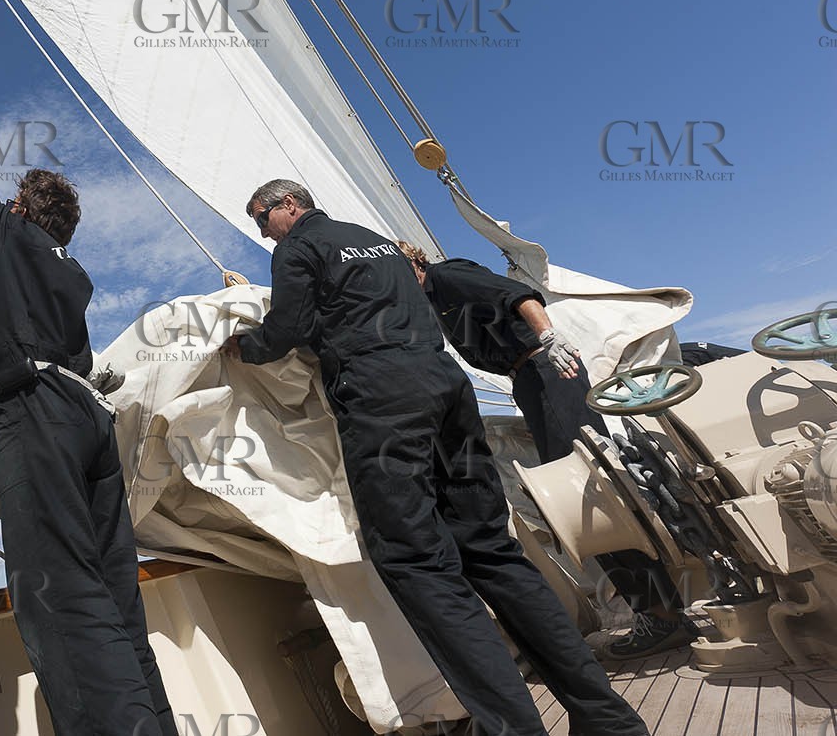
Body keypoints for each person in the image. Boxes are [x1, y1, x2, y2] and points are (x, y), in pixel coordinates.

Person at [220, 180, 648, 736]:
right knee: (491, 549)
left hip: (381, 400)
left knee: (416, 560)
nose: (261, 230)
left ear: (290, 205)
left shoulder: (298, 248)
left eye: (262, 217)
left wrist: (242, 346)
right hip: (447, 391)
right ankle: (608, 721)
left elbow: (287, 331)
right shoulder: (378, 242)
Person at [0, 141, 177, 736]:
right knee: (118, 601)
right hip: (89, 418)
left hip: (40, 411)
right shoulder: (72, 271)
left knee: (59, 594)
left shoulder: (9, 237)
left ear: (19, 209)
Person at [395, 242, 694, 660]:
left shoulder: (447, 277)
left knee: (585, 495)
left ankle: (662, 618)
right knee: (587, 494)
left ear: (414, 261)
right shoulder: (433, 300)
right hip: (533, 381)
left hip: (545, 369)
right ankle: (662, 613)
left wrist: (549, 339)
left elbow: (517, 295)